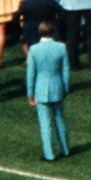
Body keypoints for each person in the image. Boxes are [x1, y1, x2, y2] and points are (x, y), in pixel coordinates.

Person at [26, 22, 71, 161]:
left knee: (45, 124)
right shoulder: (61, 47)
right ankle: (65, 149)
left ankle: (49, 154)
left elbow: (31, 73)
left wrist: (30, 93)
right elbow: (66, 71)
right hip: (57, 87)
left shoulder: (34, 49)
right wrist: (65, 88)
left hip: (41, 89)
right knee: (60, 120)